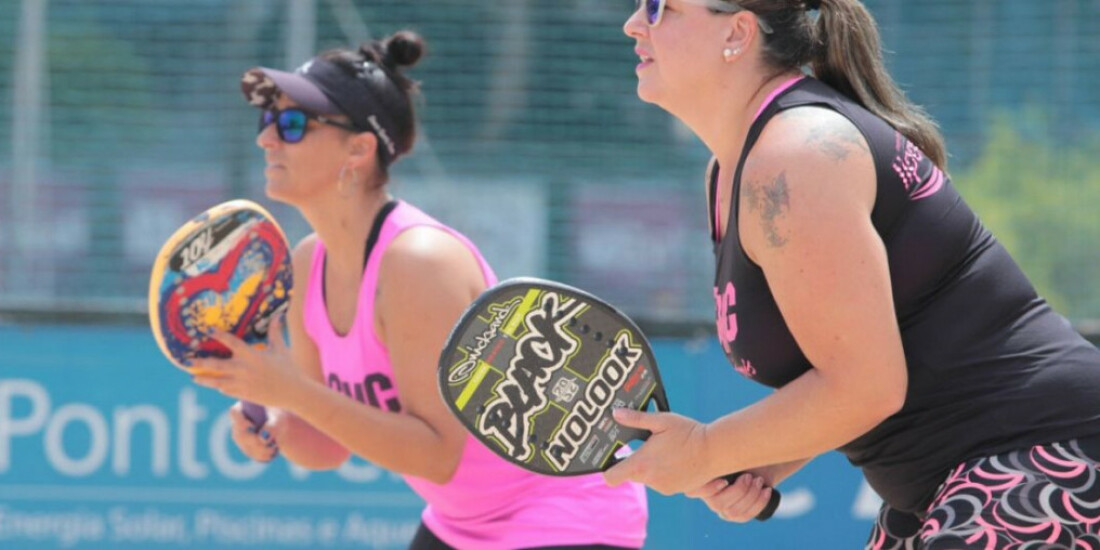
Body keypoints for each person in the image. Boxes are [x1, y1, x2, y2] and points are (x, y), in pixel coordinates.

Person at [604, 1, 1100, 548]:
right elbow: (850, 364)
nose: (634, 23)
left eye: (661, 7)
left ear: (738, 32)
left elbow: (866, 388)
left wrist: (705, 450)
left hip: (1048, 453)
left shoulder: (794, 156)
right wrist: (761, 458)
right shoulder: (737, 167)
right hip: (968, 473)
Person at [191, 31, 647, 550]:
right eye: (267, 121)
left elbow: (435, 454)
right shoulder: (308, 263)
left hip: (566, 512)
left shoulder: (417, 262)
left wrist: (291, 392)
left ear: (359, 149)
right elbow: (327, 445)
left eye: (292, 124)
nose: (266, 139)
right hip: (464, 520)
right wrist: (275, 419)